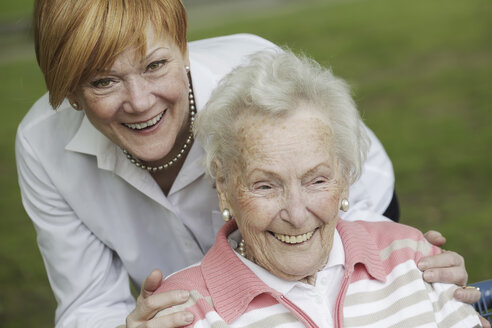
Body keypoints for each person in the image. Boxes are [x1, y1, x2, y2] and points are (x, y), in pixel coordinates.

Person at [15, 0, 480, 327]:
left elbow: (347, 173)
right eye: (103, 81)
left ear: (182, 48)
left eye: (156, 65)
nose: (139, 101)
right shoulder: (43, 147)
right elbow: (88, 301)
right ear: (69, 91)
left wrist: (396, 260)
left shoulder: (252, 77)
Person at [155, 49, 483, 327]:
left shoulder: (411, 258)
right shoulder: (184, 311)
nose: (297, 215)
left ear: (345, 178)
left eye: (317, 180)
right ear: (224, 188)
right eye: (265, 185)